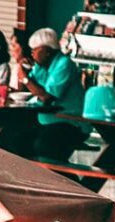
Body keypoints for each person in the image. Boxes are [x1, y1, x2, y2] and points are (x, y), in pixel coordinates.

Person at [22, 27, 87, 162]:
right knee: (19, 140)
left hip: (71, 122)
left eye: (35, 49)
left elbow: (46, 96)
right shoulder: (41, 66)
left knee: (43, 145)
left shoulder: (64, 64)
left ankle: (66, 180)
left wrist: (24, 78)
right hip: (47, 120)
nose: (32, 54)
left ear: (47, 50)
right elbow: (31, 89)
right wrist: (24, 71)